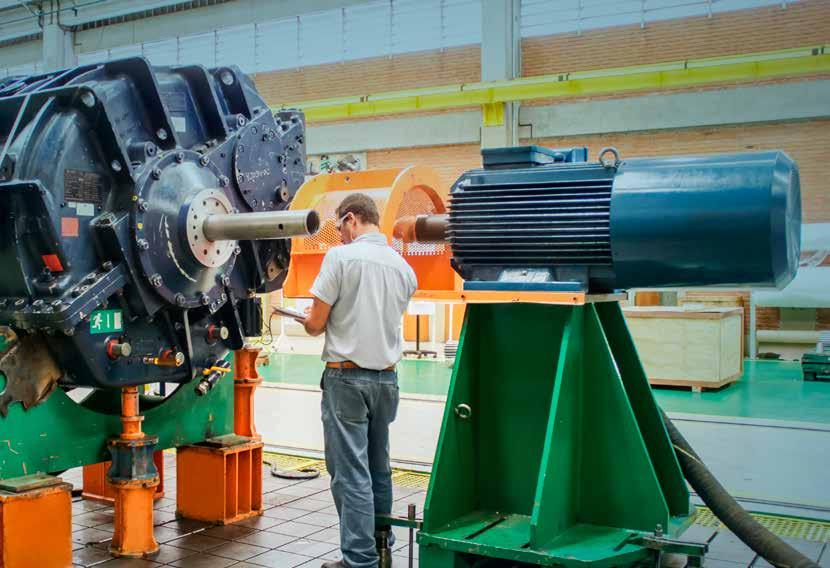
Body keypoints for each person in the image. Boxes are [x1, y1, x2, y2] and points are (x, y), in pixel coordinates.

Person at [296, 193, 417, 568]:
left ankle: (359, 560)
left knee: (351, 474)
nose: (339, 235)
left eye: (339, 227)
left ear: (351, 219)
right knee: (378, 468)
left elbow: (316, 324)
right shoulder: (403, 268)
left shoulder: (341, 258)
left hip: (347, 379)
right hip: (387, 381)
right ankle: (381, 549)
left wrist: (307, 318)